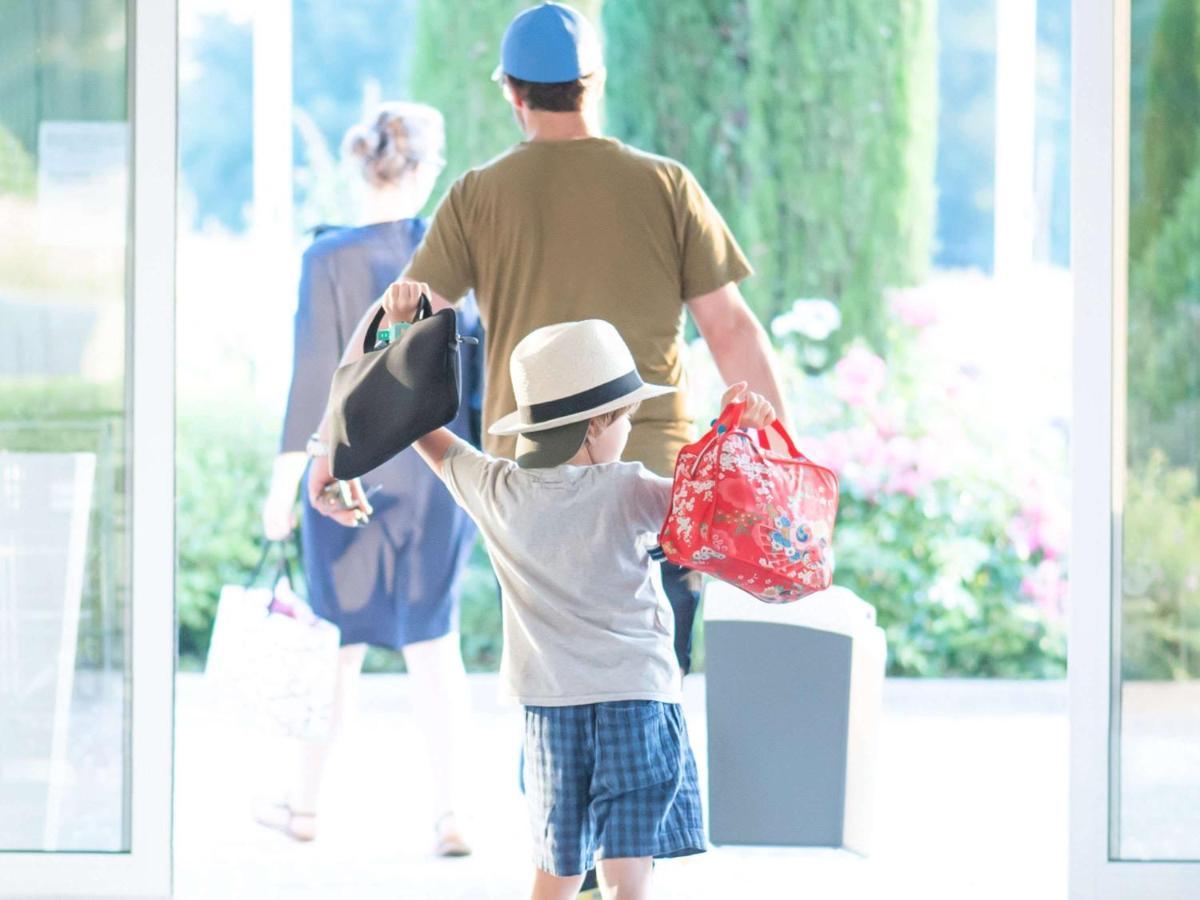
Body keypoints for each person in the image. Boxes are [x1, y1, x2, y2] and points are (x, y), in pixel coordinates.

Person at [311, 1, 789, 681]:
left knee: (548, 690)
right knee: (656, 687)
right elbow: (733, 331)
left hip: (535, 494)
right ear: (592, 82)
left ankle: (551, 782)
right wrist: (778, 465)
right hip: (656, 481)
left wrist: (331, 448)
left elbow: (400, 323)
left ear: (512, 92)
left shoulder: (479, 195)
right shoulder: (666, 185)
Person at [318, 291, 780, 899]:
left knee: (557, 868)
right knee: (628, 878)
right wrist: (736, 434)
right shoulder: (631, 490)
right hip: (637, 697)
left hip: (551, 707)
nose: (628, 429)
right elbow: (722, 517)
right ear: (594, 426)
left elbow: (417, 427)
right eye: (624, 418)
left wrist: (399, 332)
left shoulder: (495, 490)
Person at [259, 102, 482, 855]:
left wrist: (282, 490)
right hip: (439, 474)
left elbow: (312, 381)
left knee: (336, 647)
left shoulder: (326, 259)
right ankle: (451, 815)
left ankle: (305, 807)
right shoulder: (458, 260)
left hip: (345, 472)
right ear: (427, 170)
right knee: (434, 644)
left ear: (362, 166)